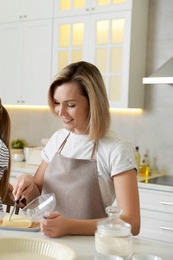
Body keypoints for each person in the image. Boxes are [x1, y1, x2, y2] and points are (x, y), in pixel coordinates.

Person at [12, 61, 140, 237]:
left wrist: (69, 227)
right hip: (47, 243)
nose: (60, 112)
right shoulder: (58, 139)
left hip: (89, 249)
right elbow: (37, 196)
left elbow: (131, 222)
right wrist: (27, 183)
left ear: (93, 103)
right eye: (57, 102)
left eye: (70, 105)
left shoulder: (116, 148)